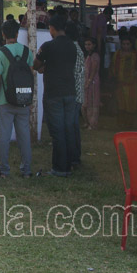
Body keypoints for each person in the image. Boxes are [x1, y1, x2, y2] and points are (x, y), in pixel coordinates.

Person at [34, 14, 78, 177]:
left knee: (57, 131)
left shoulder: (48, 46)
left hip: (54, 93)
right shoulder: (72, 46)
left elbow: (35, 65)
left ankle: (59, 168)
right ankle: (71, 163)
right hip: (70, 92)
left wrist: (45, 66)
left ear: (52, 28)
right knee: (68, 130)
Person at [0, 19, 34, 179]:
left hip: (4, 101)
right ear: (17, 33)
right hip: (23, 99)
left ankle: (4, 170)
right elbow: (30, 75)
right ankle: (26, 170)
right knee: (24, 136)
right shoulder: (26, 52)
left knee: (5, 137)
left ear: (3, 35)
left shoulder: (0, 54)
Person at [111, 36, 137, 130]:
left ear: (131, 44)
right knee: (120, 104)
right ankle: (120, 124)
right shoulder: (117, 54)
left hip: (132, 84)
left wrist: (136, 73)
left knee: (131, 104)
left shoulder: (135, 55)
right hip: (120, 83)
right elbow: (113, 66)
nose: (125, 46)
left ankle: (129, 125)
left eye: (127, 44)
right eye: (124, 44)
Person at [66, 22, 85, 157]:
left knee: (71, 126)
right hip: (76, 93)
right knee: (73, 126)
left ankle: (73, 156)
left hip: (74, 93)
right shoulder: (76, 48)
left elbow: (73, 73)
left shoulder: (73, 49)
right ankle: (75, 154)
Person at [82, 37, 101, 130]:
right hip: (87, 81)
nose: (87, 46)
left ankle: (92, 123)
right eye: (86, 44)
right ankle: (87, 121)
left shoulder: (95, 56)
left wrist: (89, 81)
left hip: (92, 82)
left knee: (92, 103)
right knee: (86, 102)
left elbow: (93, 70)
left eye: (89, 44)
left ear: (94, 45)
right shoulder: (88, 56)